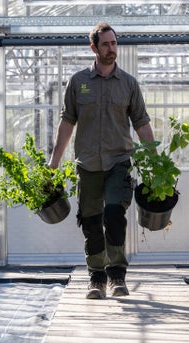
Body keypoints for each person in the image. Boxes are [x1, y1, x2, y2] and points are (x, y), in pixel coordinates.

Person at [49, 22, 155, 299]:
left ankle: (117, 275)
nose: (112, 49)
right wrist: (53, 164)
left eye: (114, 43)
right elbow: (67, 123)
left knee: (114, 214)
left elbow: (142, 124)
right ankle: (96, 278)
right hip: (87, 164)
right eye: (106, 44)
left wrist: (155, 163)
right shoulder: (78, 82)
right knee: (91, 221)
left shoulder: (129, 84)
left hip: (119, 161)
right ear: (93, 47)